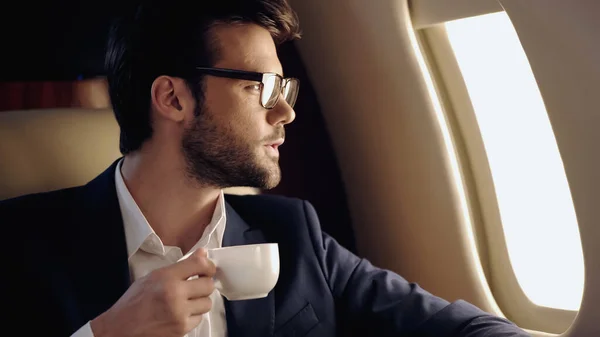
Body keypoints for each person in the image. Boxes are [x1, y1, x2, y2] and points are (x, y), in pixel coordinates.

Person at [1, 0, 531, 336]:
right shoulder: (19, 244)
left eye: (285, 87)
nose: (286, 112)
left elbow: (461, 328)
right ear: (173, 98)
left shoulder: (296, 235)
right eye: (262, 88)